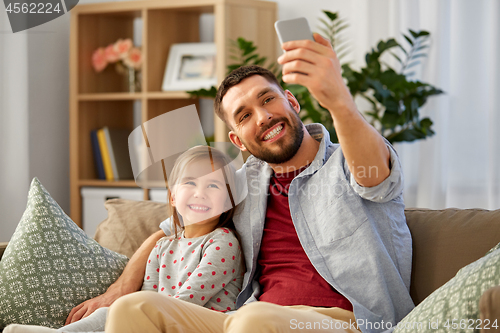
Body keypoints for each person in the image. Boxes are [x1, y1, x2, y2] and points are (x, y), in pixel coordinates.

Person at [64, 33, 414, 333]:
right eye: (245, 115)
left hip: (347, 322)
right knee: (134, 309)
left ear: (291, 102)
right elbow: (173, 227)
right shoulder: (237, 183)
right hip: (245, 318)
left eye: (268, 99)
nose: (263, 117)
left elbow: (376, 181)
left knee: (254, 320)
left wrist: (337, 98)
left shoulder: (351, 161)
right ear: (238, 141)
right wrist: (120, 289)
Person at [4, 146, 244, 333]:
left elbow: (187, 301)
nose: (199, 193)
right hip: (161, 318)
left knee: (124, 310)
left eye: (213, 185)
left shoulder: (223, 243)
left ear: (227, 201)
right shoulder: (162, 246)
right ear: (172, 197)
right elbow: (147, 295)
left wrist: (141, 315)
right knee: (109, 311)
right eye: (190, 182)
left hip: (195, 323)